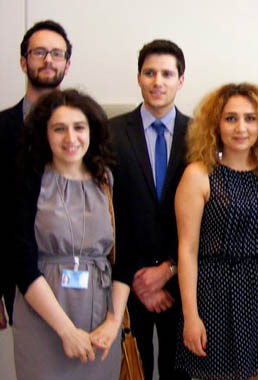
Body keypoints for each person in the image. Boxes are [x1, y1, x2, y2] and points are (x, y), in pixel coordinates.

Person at [174, 83, 258, 379]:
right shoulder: (199, 174)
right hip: (215, 294)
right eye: (231, 118)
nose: (241, 127)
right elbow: (187, 250)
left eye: (250, 118)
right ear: (216, 124)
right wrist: (191, 316)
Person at [11, 89, 130, 379]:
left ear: (92, 131)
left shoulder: (109, 179)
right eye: (59, 129)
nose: (70, 138)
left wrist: (113, 323)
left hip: (100, 319)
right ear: (44, 133)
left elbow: (127, 255)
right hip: (43, 317)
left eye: (79, 127)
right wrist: (66, 331)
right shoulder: (28, 179)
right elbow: (20, 261)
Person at [109, 39, 190, 380]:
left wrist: (168, 269)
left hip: (182, 282)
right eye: (150, 73)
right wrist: (139, 277)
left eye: (167, 74)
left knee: (179, 374)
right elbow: (110, 214)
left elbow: (209, 217)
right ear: (139, 77)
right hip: (128, 282)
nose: (158, 81)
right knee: (131, 372)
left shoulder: (201, 135)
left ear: (180, 80)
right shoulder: (110, 133)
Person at [0, 19, 72, 326]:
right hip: (17, 274)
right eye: (39, 52)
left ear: (67, 65)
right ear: (23, 61)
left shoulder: (84, 130)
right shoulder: (2, 129)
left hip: (77, 278)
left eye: (57, 54)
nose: (48, 60)